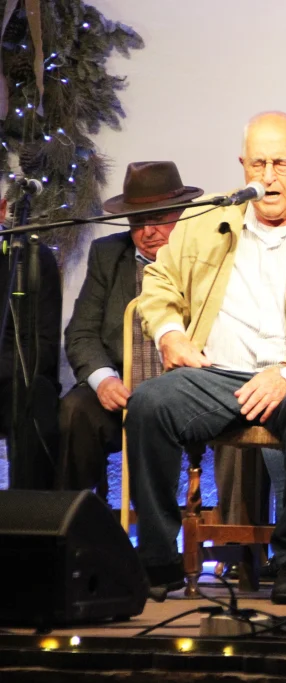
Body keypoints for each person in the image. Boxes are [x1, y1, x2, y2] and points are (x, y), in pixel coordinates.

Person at [125, 111, 286, 604]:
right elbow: (158, 283)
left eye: (281, 163)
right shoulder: (207, 218)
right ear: (241, 164)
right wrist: (170, 334)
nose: (267, 177)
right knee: (149, 404)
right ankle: (157, 559)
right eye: (258, 163)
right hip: (218, 374)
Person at [60, 161, 201, 497]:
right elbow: (81, 332)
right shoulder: (108, 255)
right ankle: (75, 527)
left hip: (190, 394)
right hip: (124, 390)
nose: (147, 232)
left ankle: (231, 537)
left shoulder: (204, 256)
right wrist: (104, 379)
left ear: (181, 215)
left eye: (158, 219)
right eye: (138, 222)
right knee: (75, 411)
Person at [0, 184, 62, 489]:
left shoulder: (30, 260)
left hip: (11, 380)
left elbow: (42, 347)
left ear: (1, 210)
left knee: (34, 395)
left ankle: (28, 525)